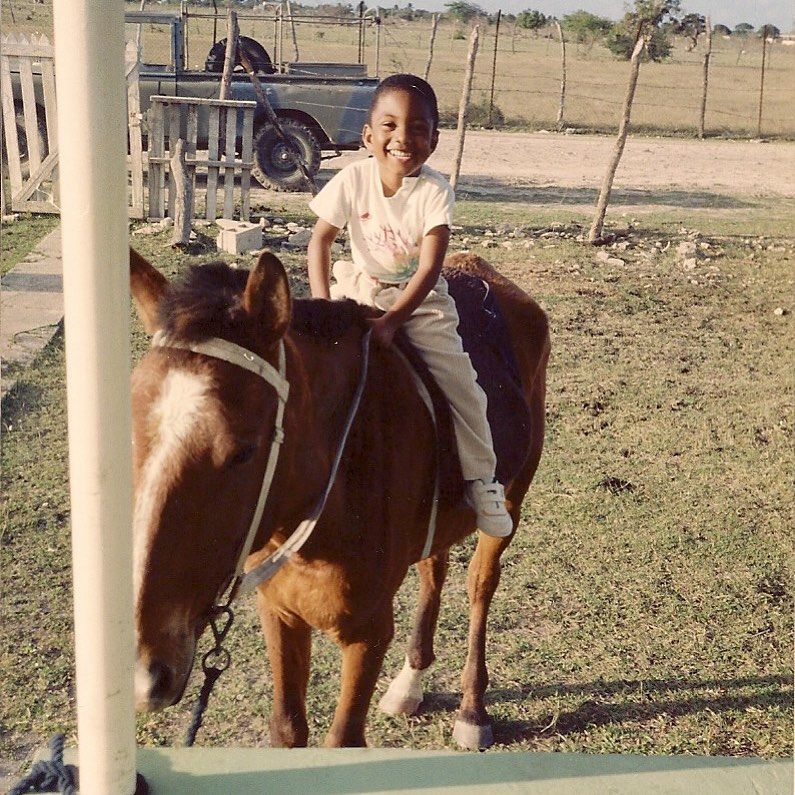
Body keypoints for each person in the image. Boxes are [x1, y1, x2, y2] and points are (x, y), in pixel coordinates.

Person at [306, 73, 513, 538]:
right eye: (390, 125)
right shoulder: (352, 178)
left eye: (418, 128)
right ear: (368, 135)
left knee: (461, 381)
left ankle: (483, 479)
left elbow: (428, 269)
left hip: (418, 301)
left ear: (434, 140)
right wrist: (322, 307)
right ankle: (305, 463)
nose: (403, 138)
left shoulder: (435, 192)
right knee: (310, 362)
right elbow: (320, 242)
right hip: (357, 286)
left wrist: (393, 322)